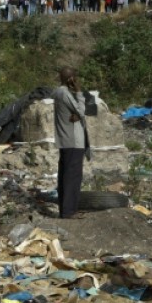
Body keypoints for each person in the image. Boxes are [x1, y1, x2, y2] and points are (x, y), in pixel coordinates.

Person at [52, 67, 91, 219]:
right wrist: (80, 92)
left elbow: (77, 113)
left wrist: (77, 114)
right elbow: (81, 111)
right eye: (75, 78)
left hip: (66, 140)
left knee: (66, 175)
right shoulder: (64, 93)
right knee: (72, 177)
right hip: (73, 140)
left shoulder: (60, 93)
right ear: (71, 79)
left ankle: (67, 209)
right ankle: (69, 211)